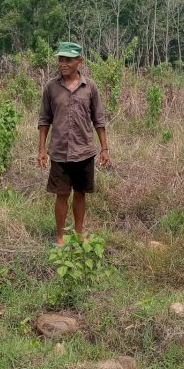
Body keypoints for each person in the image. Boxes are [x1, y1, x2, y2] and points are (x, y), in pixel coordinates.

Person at [38, 42, 109, 245]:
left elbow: (99, 119)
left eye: (68, 60)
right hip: (59, 152)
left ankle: (79, 233)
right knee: (61, 194)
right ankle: (60, 237)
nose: (63, 63)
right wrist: (42, 149)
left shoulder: (90, 87)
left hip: (84, 151)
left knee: (80, 193)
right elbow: (44, 120)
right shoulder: (51, 87)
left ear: (80, 61)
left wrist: (104, 148)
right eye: (61, 59)